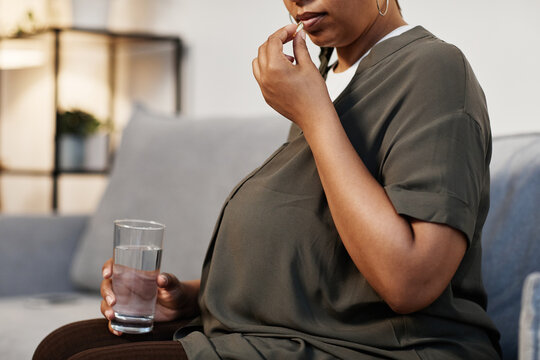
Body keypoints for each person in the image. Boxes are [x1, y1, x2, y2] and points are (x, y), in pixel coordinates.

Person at [34, 0, 502, 359]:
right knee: (60, 346)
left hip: (377, 348)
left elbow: (410, 282)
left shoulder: (433, 69)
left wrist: (314, 113)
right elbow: (322, 252)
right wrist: (190, 298)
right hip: (298, 331)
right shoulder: (325, 74)